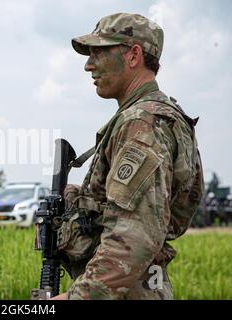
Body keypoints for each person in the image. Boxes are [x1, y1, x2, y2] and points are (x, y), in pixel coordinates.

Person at [53, 13, 204, 300]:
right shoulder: (159, 115)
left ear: (134, 55)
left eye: (99, 52)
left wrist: (80, 297)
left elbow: (133, 235)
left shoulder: (142, 123)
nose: (88, 65)